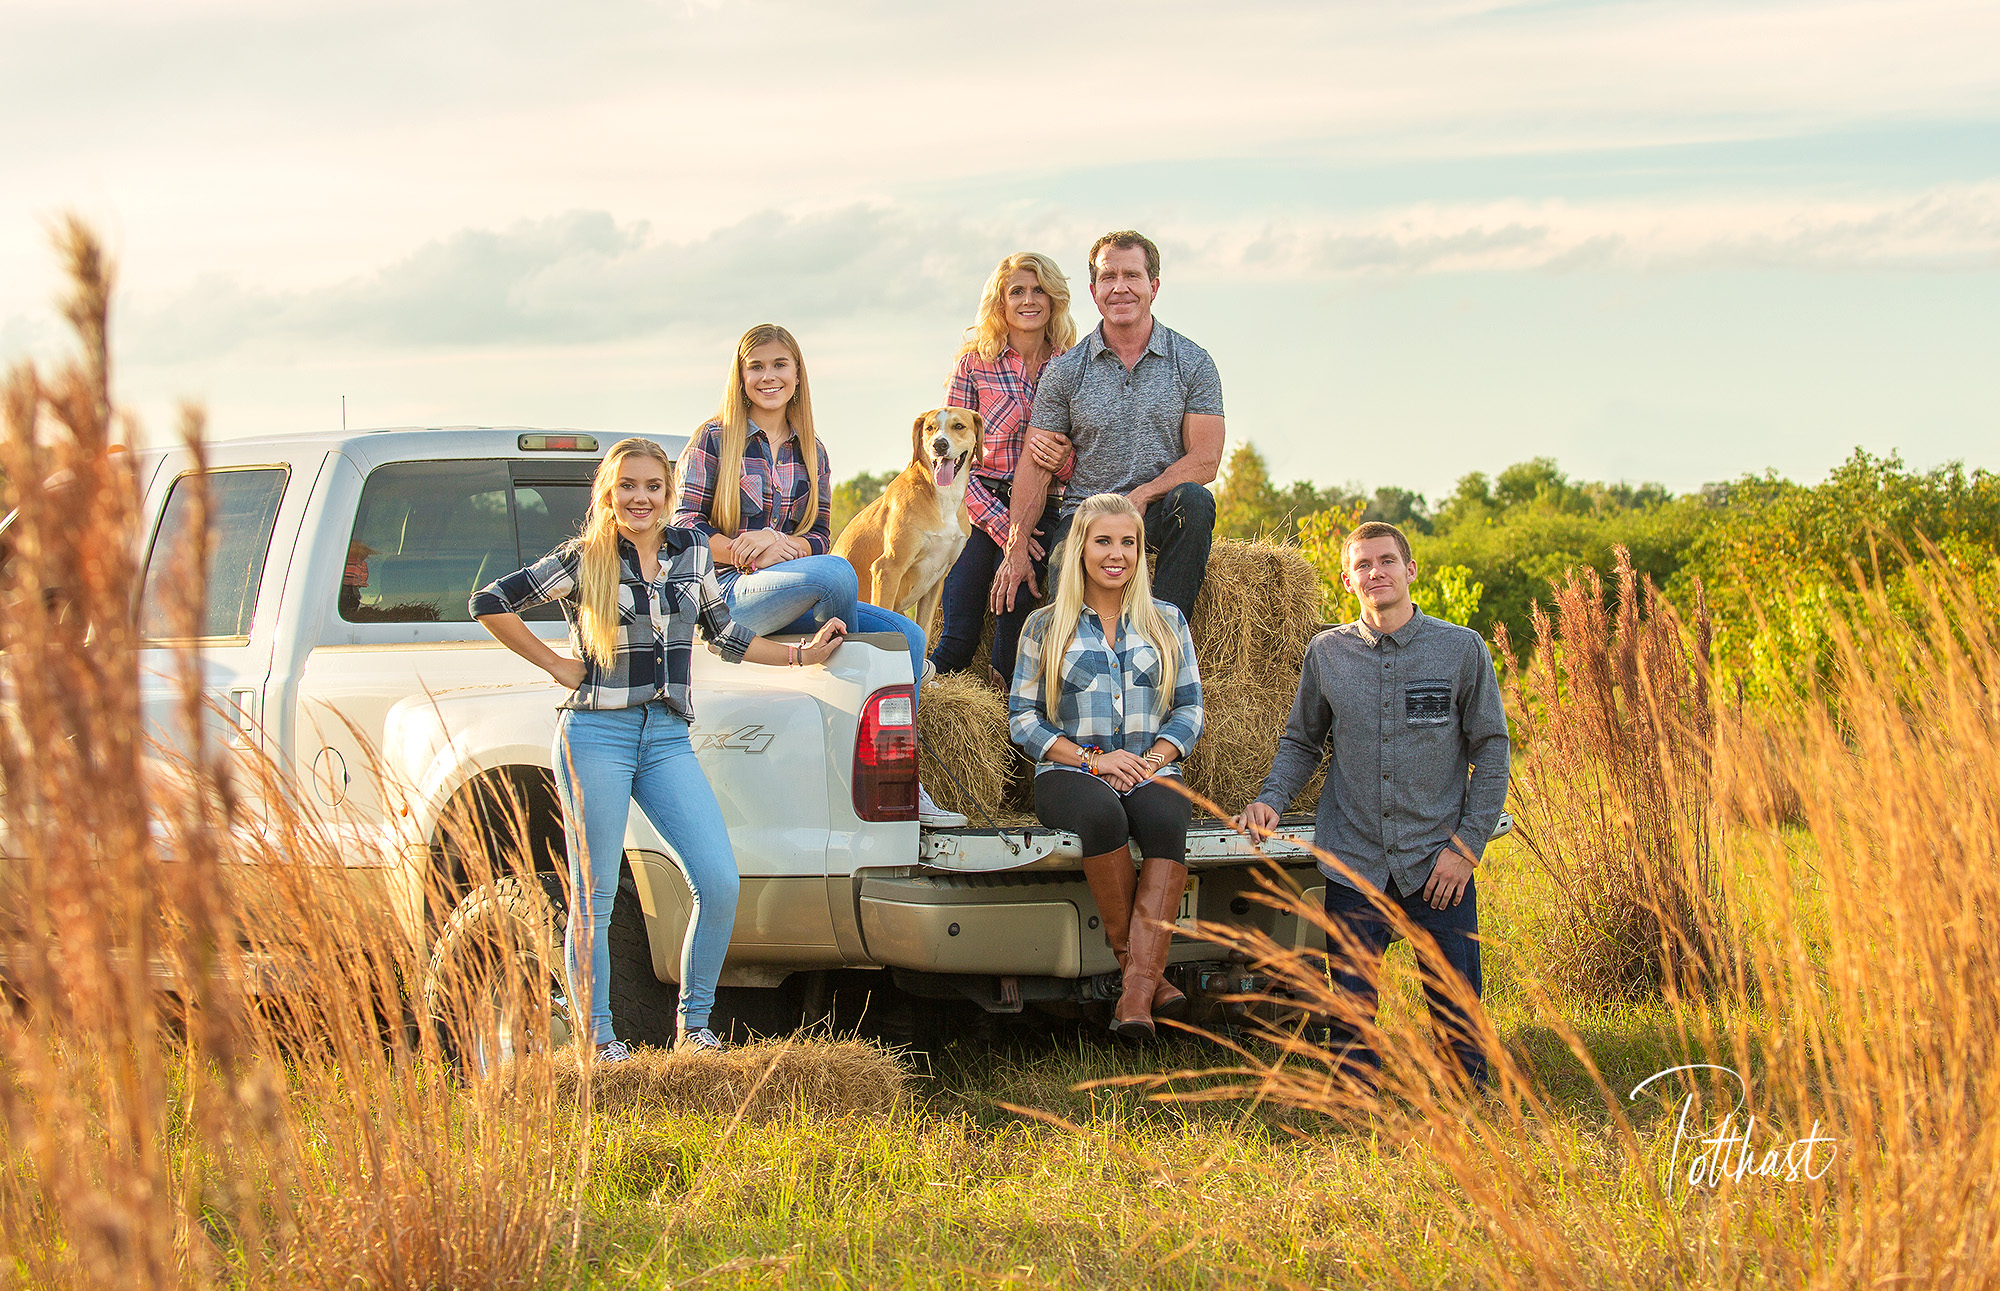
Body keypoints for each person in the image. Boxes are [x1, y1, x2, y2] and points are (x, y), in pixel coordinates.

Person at [473, 438, 848, 1059]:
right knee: (593, 891)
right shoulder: (584, 558)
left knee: (718, 880)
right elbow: (489, 603)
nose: (640, 498)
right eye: (627, 487)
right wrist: (559, 666)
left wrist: (800, 656)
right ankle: (600, 1039)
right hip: (596, 734)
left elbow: (726, 636)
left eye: (652, 487)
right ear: (608, 494)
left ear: (669, 496)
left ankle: (694, 1030)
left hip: (667, 734)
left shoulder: (692, 551)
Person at [1238, 521, 1510, 1091]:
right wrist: (1270, 799)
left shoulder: (1461, 649)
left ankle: (1470, 1097)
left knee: (1456, 999)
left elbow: (1492, 751)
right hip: (1354, 857)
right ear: (1347, 580)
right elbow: (1303, 742)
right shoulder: (1326, 653)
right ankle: (1356, 1103)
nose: (1376, 572)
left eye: (1386, 561)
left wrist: (1466, 849)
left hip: (1438, 864)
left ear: (1410, 570)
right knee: (1353, 1004)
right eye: (1363, 565)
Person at [675, 323, 963, 826]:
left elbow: (819, 537)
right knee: (835, 576)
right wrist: (753, 550)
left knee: (911, 638)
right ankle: (847, 743)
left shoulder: (814, 449)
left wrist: (780, 543)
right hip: (728, 594)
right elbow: (683, 532)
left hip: (800, 589)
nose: (769, 376)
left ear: (797, 373)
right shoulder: (714, 438)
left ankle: (901, 778)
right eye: (756, 366)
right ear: (740, 376)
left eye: (779, 365)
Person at [1008, 493, 1204, 1038]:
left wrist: (1153, 760)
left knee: (1168, 819)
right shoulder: (1044, 626)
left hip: (1148, 768)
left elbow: (1190, 707)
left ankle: (1136, 994)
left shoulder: (1167, 620)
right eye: (1104, 541)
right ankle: (1143, 981)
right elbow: (1022, 719)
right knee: (1102, 817)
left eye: (1128, 543)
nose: (1116, 554)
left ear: (1141, 552)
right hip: (1070, 773)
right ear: (1080, 549)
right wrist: (1094, 761)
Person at [990, 230, 1225, 626]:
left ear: (1153, 287)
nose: (1120, 288)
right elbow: (1034, 463)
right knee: (1065, 579)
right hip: (1085, 515)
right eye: (1108, 277)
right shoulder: (1066, 371)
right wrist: (1015, 547)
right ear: (1094, 289)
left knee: (1195, 502)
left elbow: (1206, 460)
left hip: (1155, 511)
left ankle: (1163, 633)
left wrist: (1144, 494)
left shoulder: (1193, 362)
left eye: (1131, 276)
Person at [929, 252, 1079, 684]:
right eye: (1017, 291)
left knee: (1014, 635)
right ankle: (927, 704)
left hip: (1045, 508)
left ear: (1053, 299)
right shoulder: (975, 363)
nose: (1028, 300)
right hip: (978, 505)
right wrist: (1003, 527)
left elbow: (1086, 457)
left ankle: (1012, 727)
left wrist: (1064, 463)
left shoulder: (1073, 365)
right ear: (1000, 302)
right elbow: (950, 457)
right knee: (958, 636)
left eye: (1038, 290)